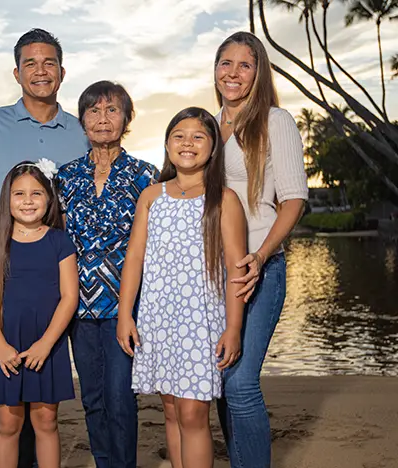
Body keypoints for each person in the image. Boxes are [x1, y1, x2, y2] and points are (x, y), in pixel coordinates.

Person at [0, 28, 89, 468]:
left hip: (54, 282)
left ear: (62, 73)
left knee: (44, 392)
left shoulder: (80, 131)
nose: (40, 70)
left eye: (49, 62)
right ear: (16, 72)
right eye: (30, 63)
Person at [117, 107, 247, 468]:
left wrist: (233, 328)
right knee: (171, 412)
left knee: (192, 415)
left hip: (200, 323)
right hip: (158, 320)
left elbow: (237, 270)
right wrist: (125, 314)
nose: (187, 143)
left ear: (212, 148)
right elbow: (135, 260)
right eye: (179, 135)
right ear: (167, 145)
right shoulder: (151, 196)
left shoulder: (224, 200)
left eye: (198, 136)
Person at [213, 31, 309, 468]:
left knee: (241, 383)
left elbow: (294, 200)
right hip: (213, 271)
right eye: (226, 63)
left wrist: (262, 254)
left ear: (259, 72)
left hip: (258, 269)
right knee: (221, 376)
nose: (234, 73)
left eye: (245, 65)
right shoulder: (210, 124)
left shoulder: (275, 121)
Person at [56, 81, 159, 468]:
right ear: (82, 119)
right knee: (93, 398)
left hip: (125, 306)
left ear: (126, 118)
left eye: (112, 110)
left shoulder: (145, 176)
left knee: (120, 396)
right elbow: (58, 242)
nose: (103, 119)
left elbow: (154, 245)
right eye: (94, 111)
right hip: (76, 306)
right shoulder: (65, 178)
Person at [0, 160, 78, 468]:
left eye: (36, 193)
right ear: (7, 199)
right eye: (19, 194)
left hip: (48, 344)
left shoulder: (60, 241)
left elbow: (69, 297)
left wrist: (46, 344)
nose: (28, 201)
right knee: (8, 425)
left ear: (49, 199)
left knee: (46, 421)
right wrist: (0, 346)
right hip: (5, 345)